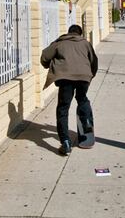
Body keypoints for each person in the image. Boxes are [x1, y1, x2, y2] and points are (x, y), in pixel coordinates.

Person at [40, 24, 99, 155]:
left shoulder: (60, 42)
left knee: (63, 108)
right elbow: (94, 61)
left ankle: (65, 142)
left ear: (69, 33)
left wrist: (48, 65)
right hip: (83, 76)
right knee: (82, 99)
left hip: (65, 78)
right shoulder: (85, 43)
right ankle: (86, 124)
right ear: (80, 34)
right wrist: (90, 75)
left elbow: (44, 56)